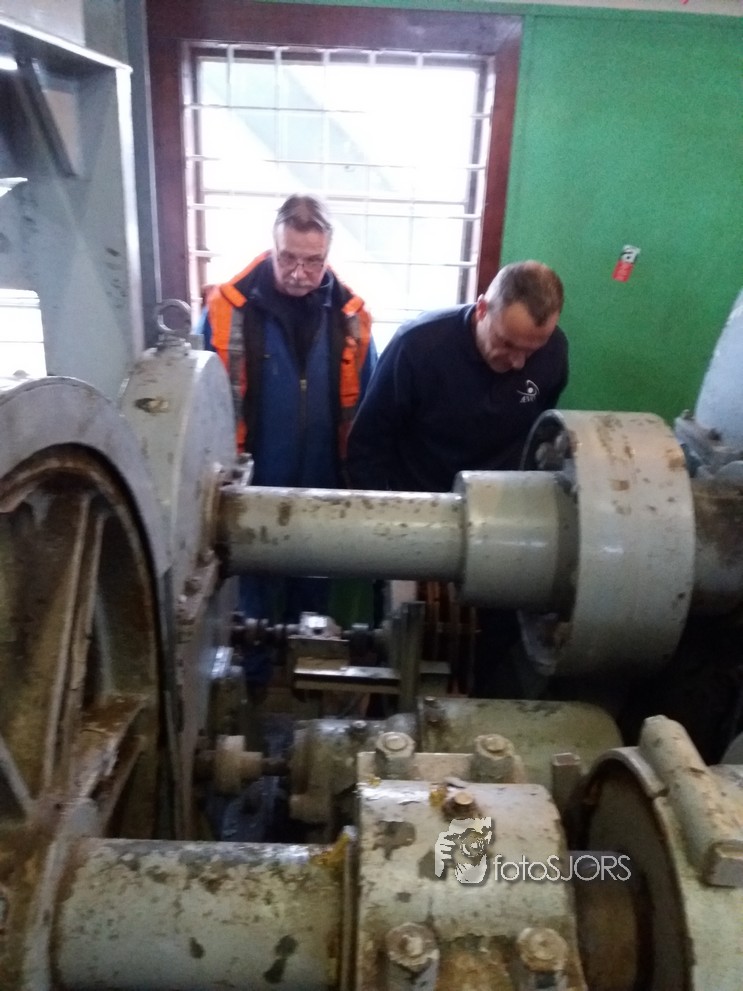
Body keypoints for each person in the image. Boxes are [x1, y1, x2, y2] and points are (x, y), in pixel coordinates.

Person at [346, 260, 567, 696]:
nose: (518, 361)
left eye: (532, 349)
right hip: (416, 526)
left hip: (504, 531)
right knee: (405, 658)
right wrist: (386, 539)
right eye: (507, 344)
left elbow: (540, 440)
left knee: (488, 654)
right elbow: (366, 449)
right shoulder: (418, 347)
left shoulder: (553, 354)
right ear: (482, 309)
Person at [198, 194, 376, 692]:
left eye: (312, 261)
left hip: (324, 483)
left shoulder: (352, 319)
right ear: (272, 246)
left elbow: (369, 412)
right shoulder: (225, 313)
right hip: (248, 483)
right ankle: (251, 689)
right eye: (288, 258)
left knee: (313, 596)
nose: (299, 272)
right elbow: (201, 407)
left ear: (328, 254)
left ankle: (308, 685)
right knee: (249, 601)